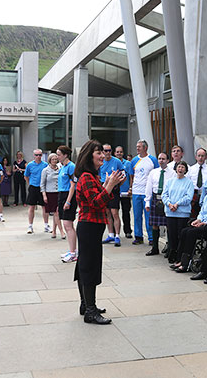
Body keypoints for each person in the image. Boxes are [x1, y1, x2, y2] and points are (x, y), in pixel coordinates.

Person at [73, 139, 125, 324]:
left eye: (102, 152)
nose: (102, 155)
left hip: (92, 226)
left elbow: (100, 199)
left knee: (84, 265)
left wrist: (113, 184)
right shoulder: (87, 177)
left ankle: (85, 304)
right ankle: (90, 310)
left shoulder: (92, 176)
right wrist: (110, 185)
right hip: (89, 226)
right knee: (89, 267)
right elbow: (96, 202)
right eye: (98, 153)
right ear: (89, 156)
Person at [172, 175, 207, 272]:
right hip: (204, 224)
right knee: (185, 231)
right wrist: (198, 220)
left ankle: (186, 264)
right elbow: (202, 213)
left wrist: (204, 223)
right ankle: (180, 260)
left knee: (191, 233)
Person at [162, 160, 195, 262]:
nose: (180, 169)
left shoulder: (189, 183)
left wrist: (177, 204)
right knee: (171, 234)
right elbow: (164, 194)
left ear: (185, 170)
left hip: (182, 213)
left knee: (181, 235)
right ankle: (172, 253)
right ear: (176, 168)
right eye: (179, 167)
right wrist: (169, 204)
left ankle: (180, 256)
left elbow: (188, 197)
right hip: (170, 212)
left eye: (182, 167)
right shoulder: (170, 181)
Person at [144, 152, 174, 256]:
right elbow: (149, 187)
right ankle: (155, 248)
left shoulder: (173, 173)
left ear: (168, 160)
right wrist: (147, 202)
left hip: (167, 200)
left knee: (168, 225)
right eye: (160, 158)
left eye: (163, 159)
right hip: (155, 199)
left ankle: (170, 248)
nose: (161, 160)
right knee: (155, 225)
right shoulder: (153, 172)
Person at [130, 140, 159, 245]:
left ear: (145, 148)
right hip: (136, 191)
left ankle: (151, 237)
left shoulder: (152, 160)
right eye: (137, 146)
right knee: (137, 215)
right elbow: (132, 176)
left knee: (148, 215)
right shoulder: (134, 160)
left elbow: (157, 174)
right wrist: (131, 188)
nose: (137, 148)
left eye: (139, 147)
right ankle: (138, 236)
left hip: (148, 192)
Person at [100, 144, 125, 246]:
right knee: (107, 213)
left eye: (109, 150)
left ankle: (117, 235)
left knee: (115, 213)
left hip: (114, 189)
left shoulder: (117, 161)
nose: (107, 153)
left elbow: (124, 175)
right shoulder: (100, 161)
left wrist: (117, 184)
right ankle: (110, 234)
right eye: (105, 151)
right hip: (104, 188)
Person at [57, 145, 78, 263]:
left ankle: (73, 253)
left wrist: (68, 201)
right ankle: (72, 250)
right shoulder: (62, 167)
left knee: (68, 225)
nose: (57, 156)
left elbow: (73, 185)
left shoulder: (71, 167)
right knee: (66, 225)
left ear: (65, 155)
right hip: (61, 194)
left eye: (59, 154)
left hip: (68, 196)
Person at [25, 149, 49, 234]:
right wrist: (30, 184)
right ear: (34, 156)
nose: (38, 157)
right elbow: (26, 176)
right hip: (33, 187)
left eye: (40, 155)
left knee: (44, 207)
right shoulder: (30, 165)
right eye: (36, 155)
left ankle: (46, 225)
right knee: (31, 207)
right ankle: (30, 226)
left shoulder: (45, 165)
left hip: (42, 188)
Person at [41, 153, 64, 239]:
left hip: (59, 192)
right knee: (56, 213)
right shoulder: (45, 170)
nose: (55, 161)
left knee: (56, 213)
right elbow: (42, 184)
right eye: (53, 159)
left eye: (56, 159)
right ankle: (61, 231)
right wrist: (44, 195)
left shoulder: (60, 169)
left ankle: (54, 231)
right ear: (49, 160)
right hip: (50, 193)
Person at [187, 148, 207, 218]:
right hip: (193, 195)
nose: (200, 158)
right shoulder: (191, 169)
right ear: (196, 157)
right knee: (193, 216)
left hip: (204, 194)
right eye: (199, 156)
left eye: (202, 156)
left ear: (206, 157)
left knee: (204, 215)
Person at [115, 145, 133, 238]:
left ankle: (127, 231)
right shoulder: (113, 163)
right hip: (115, 192)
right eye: (117, 152)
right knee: (114, 213)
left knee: (126, 212)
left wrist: (130, 188)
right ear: (115, 153)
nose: (119, 153)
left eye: (121, 152)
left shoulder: (128, 164)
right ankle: (114, 232)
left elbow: (131, 177)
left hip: (125, 192)